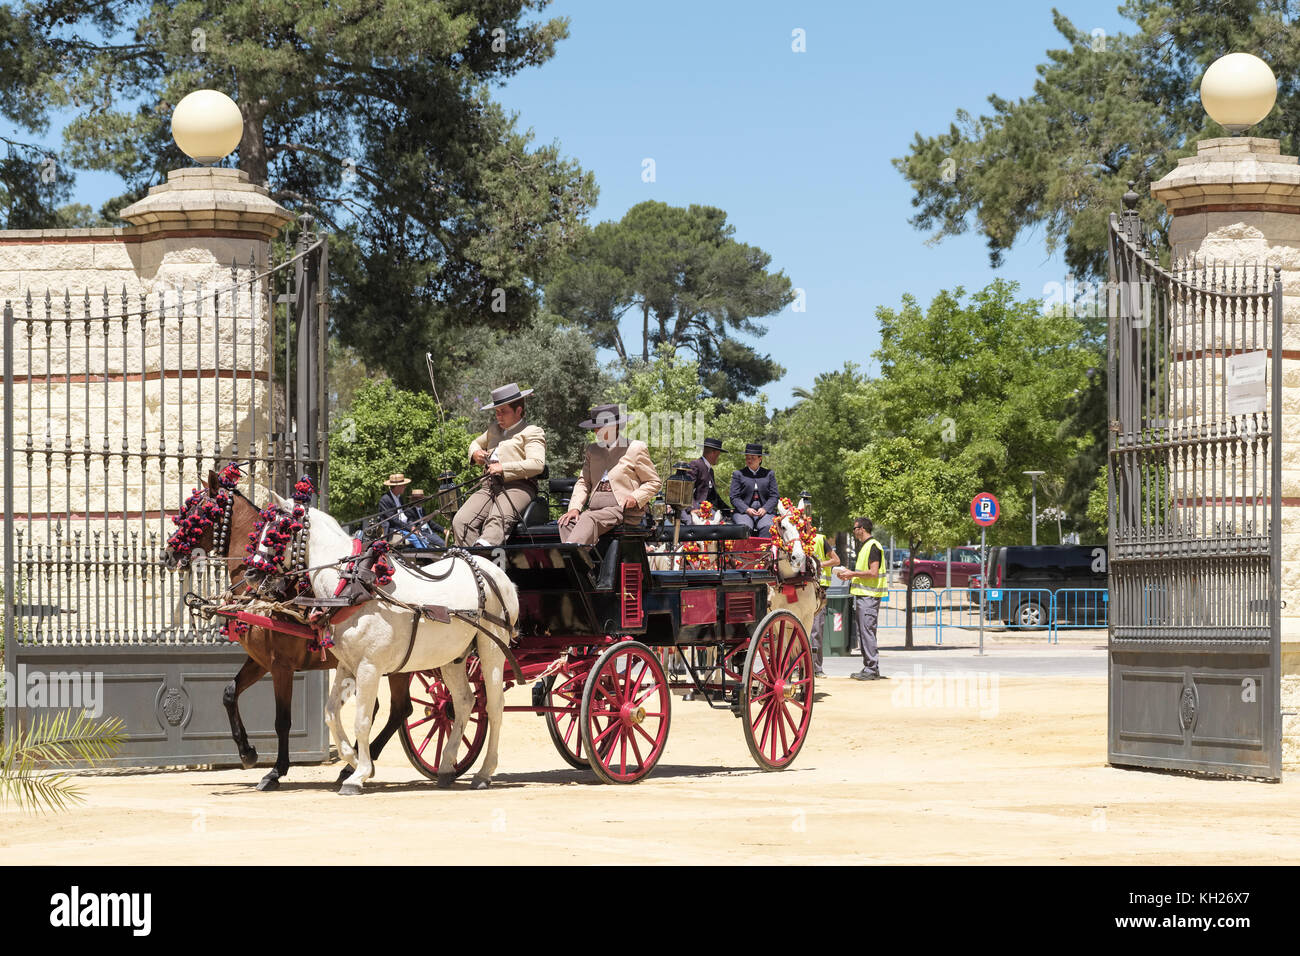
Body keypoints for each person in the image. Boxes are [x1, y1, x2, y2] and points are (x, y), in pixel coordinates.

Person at [452, 382, 547, 547]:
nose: (498, 416)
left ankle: (485, 558)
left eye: (503, 412)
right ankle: (471, 564)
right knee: (460, 521)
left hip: (519, 486)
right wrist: (475, 454)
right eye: (496, 412)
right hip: (488, 487)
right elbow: (475, 443)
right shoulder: (493, 430)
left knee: (496, 520)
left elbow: (537, 464)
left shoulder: (532, 431)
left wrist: (503, 467)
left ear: (519, 410)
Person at [559, 403, 661, 546]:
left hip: (623, 511)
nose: (596, 431)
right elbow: (583, 482)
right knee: (566, 522)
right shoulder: (592, 450)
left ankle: (572, 560)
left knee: (588, 519)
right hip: (595, 510)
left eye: (601, 427)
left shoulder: (635, 448)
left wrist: (635, 497)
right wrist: (575, 508)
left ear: (615, 427)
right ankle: (580, 564)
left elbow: (654, 482)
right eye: (595, 427)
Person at [837, 517, 888, 681]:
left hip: (869, 597)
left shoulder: (873, 546)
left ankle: (871, 669)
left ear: (862, 529)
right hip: (865, 596)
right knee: (865, 632)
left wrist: (852, 574)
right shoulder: (866, 546)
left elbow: (873, 573)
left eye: (855, 528)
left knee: (867, 633)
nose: (854, 531)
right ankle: (870, 667)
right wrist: (851, 575)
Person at [808, 528, 840, 679]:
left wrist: (818, 564)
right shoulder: (794, 540)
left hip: (819, 590)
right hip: (801, 589)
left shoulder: (820, 539)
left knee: (815, 630)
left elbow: (836, 560)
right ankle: (796, 667)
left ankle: (817, 668)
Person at [729, 443, 778, 534]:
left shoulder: (769, 474)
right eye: (747, 457)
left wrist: (765, 509)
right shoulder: (738, 474)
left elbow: (774, 496)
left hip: (765, 512)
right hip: (743, 512)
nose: (749, 460)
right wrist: (747, 509)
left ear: (760, 459)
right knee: (744, 528)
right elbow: (734, 497)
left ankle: (764, 548)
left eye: (753, 458)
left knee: (768, 527)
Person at [685, 437, 729, 522]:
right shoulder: (695, 465)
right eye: (718, 455)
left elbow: (714, 495)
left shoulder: (710, 470)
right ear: (714, 453)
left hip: (706, 509)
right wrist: (691, 509)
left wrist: (728, 510)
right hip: (693, 508)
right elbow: (687, 490)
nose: (718, 457)